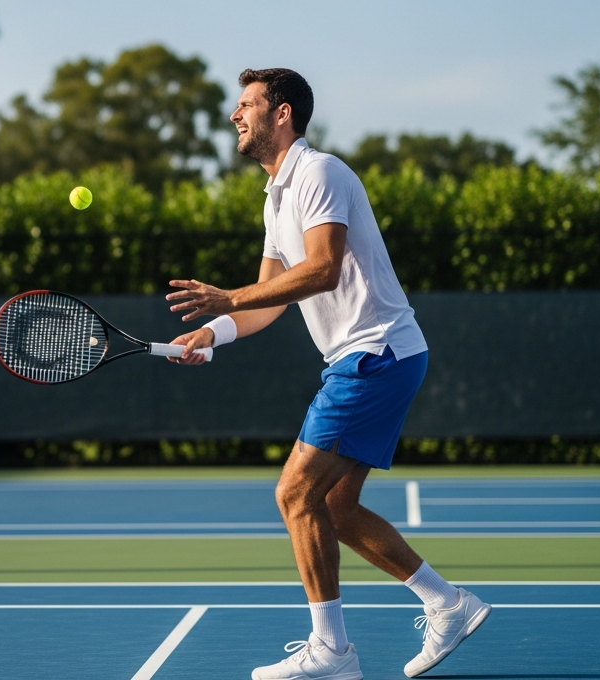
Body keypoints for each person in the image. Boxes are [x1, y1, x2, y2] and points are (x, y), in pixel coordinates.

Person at [164, 68, 491, 680]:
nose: (236, 116)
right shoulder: (277, 196)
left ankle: (334, 653)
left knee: (293, 493)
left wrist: (226, 299)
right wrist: (216, 331)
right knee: (334, 510)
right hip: (377, 356)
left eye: (247, 105)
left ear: (281, 114)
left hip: (374, 354)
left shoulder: (320, 173)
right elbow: (268, 298)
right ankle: (448, 603)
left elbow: (324, 269)